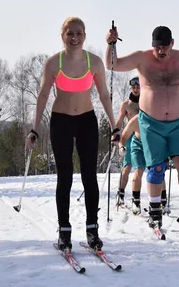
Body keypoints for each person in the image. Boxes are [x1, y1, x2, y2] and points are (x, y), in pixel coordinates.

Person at [26, 17, 120, 251]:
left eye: (79, 33)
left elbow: (104, 96)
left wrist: (114, 125)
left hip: (87, 121)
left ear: (85, 36)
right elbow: (43, 96)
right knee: (65, 177)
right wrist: (35, 128)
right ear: (63, 36)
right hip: (61, 122)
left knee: (89, 176)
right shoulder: (53, 63)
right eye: (70, 33)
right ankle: (64, 231)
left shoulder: (95, 62)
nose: (74, 38)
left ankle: (92, 230)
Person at [105, 25, 179, 230]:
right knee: (155, 167)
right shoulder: (142, 59)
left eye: (164, 47)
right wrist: (111, 43)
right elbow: (113, 64)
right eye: (157, 48)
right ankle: (155, 212)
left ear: (172, 43)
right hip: (151, 124)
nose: (161, 51)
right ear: (152, 45)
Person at [118, 115, 170, 215]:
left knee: (158, 171)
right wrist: (121, 147)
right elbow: (124, 136)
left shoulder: (158, 116)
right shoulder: (136, 120)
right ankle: (136, 202)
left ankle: (163, 201)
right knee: (138, 172)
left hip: (153, 146)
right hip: (138, 146)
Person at [114, 76, 141, 210]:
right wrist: (116, 132)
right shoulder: (125, 104)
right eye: (134, 87)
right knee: (128, 166)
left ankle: (160, 199)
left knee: (151, 167)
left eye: (138, 87)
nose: (136, 89)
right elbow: (119, 120)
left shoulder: (146, 102)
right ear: (131, 88)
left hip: (144, 137)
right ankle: (121, 194)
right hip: (130, 137)